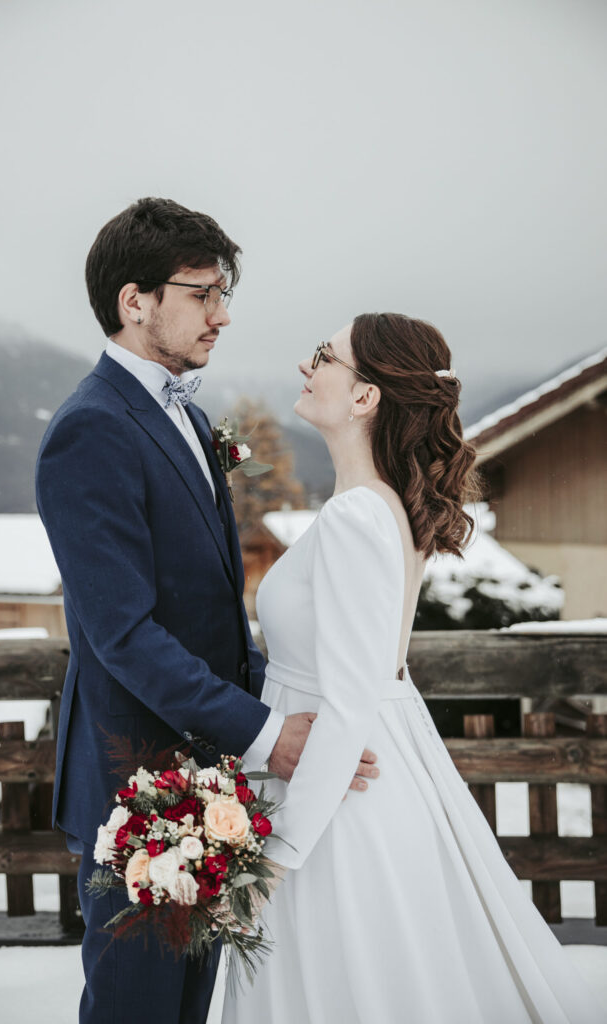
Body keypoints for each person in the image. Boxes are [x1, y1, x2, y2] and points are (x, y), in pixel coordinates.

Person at [35, 198, 377, 1024]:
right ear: (135, 301)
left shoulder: (184, 414)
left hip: (209, 783)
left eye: (223, 292)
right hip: (136, 789)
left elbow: (214, 616)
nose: (221, 314)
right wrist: (266, 734)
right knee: (136, 1010)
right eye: (202, 292)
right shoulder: (91, 430)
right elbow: (123, 633)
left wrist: (294, 713)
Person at [222, 314, 603, 1024]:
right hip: (340, 773)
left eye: (322, 356)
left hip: (334, 798)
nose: (306, 367)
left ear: (365, 396)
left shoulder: (353, 519)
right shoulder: (379, 508)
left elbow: (348, 700)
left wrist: (275, 858)